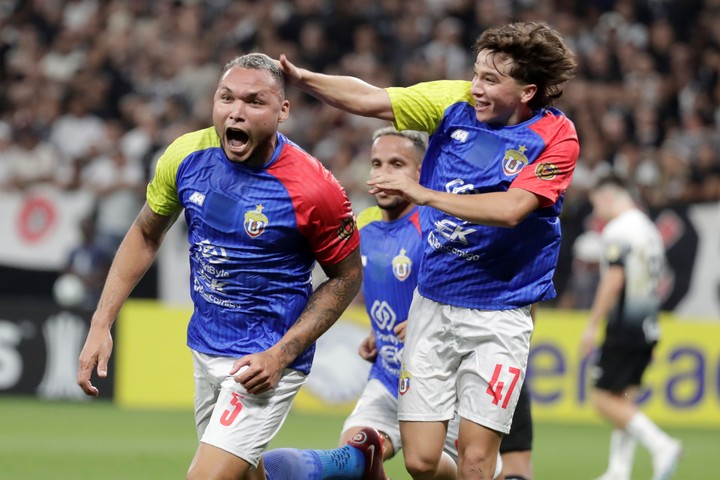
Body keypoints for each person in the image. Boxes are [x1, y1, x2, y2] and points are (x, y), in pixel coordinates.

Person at [278, 21, 578, 480]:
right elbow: (370, 98)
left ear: (527, 91)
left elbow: (514, 209)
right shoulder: (453, 101)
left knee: (477, 459)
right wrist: (304, 79)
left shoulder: (557, 136)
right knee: (420, 461)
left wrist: (423, 193)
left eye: (491, 80)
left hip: (500, 312)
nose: (475, 87)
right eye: (476, 74)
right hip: (433, 303)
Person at [76, 53, 365, 480]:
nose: (236, 111)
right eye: (226, 97)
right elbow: (145, 234)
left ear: (283, 110)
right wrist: (101, 323)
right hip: (206, 346)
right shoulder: (186, 156)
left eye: (253, 101)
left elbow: (347, 276)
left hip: (265, 357)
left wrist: (281, 354)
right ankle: (342, 466)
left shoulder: (314, 189)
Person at [263, 123, 534, 480]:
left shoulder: (443, 226)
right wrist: (381, 332)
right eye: (376, 164)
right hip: (389, 377)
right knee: (357, 450)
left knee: (446, 469)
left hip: (447, 387)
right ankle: (344, 462)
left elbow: (490, 290)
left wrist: (426, 321)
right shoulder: (365, 225)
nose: (383, 174)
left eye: (396, 165)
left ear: (421, 174)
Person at [580, 176, 682, 480]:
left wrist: (592, 324)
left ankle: (662, 444)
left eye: (597, 203)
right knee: (623, 397)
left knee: (603, 400)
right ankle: (619, 470)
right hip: (649, 324)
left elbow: (613, 280)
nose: (596, 211)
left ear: (609, 197)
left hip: (625, 326)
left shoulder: (619, 229)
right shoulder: (647, 228)